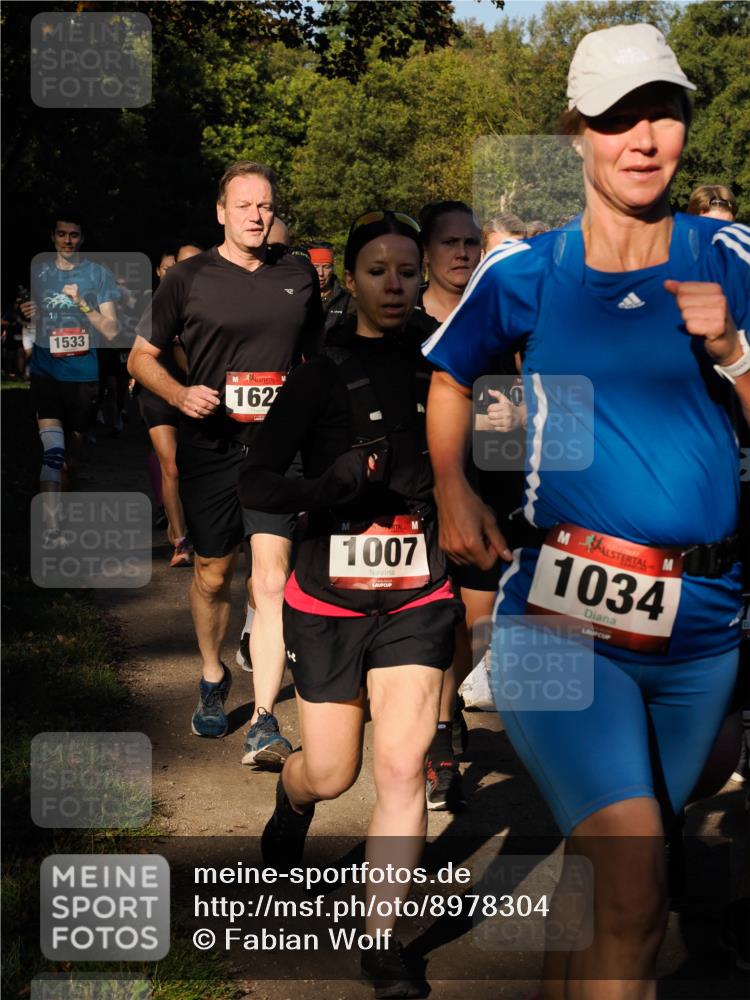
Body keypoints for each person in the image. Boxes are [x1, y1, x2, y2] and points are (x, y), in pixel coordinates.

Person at [423, 22, 748, 999]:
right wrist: (451, 488)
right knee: (638, 872)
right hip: (565, 615)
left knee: (615, 868)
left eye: (663, 111)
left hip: (706, 618)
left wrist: (733, 351)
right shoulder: (528, 269)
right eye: (616, 118)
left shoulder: (731, 253)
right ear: (578, 137)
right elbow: (448, 373)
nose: (643, 137)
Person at [239, 211, 463, 997]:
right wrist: (326, 487)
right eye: (378, 270)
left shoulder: (450, 362)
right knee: (333, 773)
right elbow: (258, 481)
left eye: (408, 268)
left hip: (419, 593)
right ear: (356, 281)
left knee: (402, 767)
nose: (396, 284)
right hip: (329, 597)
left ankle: (382, 941)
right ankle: (291, 799)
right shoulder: (321, 372)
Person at [128, 161, 322, 765]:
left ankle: (264, 720)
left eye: (265, 206)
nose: (256, 216)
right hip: (211, 447)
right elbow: (140, 357)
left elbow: (317, 360)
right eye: (244, 206)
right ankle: (213, 674)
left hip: (275, 451)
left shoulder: (298, 278)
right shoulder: (186, 278)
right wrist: (181, 394)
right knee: (213, 575)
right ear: (221, 213)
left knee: (271, 580)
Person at [25, 213, 119, 536]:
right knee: (53, 452)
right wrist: (30, 315)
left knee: (72, 460)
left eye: (74, 235)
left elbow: (110, 329)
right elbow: (33, 319)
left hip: (82, 377)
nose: (68, 241)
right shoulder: (39, 273)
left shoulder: (98, 275)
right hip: (46, 373)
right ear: (53, 237)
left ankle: (65, 516)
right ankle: (51, 530)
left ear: (82, 238)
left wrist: (81, 303)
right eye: (62, 234)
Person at [136, 247, 192, 567]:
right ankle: (181, 543)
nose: (175, 272)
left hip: (194, 393)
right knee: (170, 465)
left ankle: (178, 520)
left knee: (192, 466)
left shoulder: (207, 300)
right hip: (157, 393)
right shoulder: (152, 304)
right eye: (169, 267)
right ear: (160, 271)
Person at [308, 241, 351, 333]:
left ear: (332, 269)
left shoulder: (346, 300)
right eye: (315, 267)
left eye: (326, 267)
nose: (320, 273)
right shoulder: (300, 297)